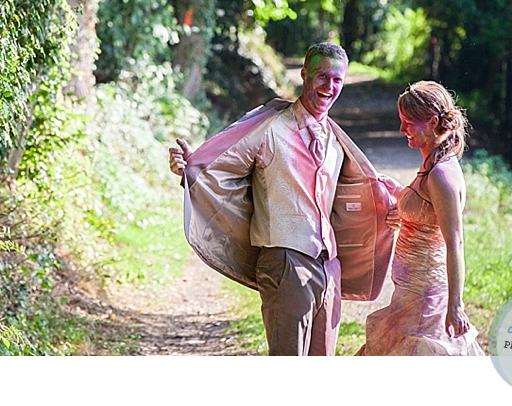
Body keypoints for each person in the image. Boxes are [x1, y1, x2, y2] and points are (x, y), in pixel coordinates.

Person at [168, 42, 398, 356]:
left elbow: (351, 198)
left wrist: (390, 210)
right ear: (304, 75)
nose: (328, 87)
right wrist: (188, 168)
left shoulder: (335, 138)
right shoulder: (269, 129)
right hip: (285, 263)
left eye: (337, 80)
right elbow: (216, 168)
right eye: (321, 77)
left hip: (329, 268)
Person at [356, 80, 483, 355]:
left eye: (408, 122)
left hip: (425, 299)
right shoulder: (432, 163)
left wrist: (455, 306)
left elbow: (455, 243)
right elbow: (428, 213)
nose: (402, 130)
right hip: (410, 293)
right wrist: (401, 204)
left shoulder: (441, 174)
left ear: (433, 121)